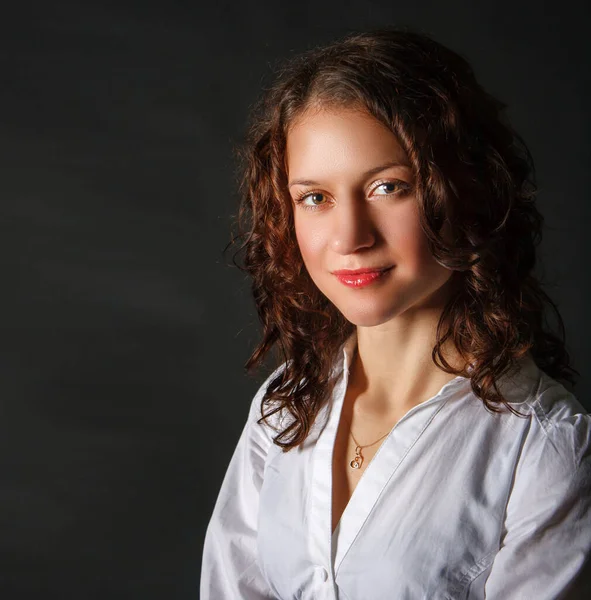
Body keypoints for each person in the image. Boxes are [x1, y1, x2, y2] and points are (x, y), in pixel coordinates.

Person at [200, 26, 591, 599]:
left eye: (388, 187)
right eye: (316, 197)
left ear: (466, 189)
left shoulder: (546, 447)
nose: (350, 236)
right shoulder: (285, 405)